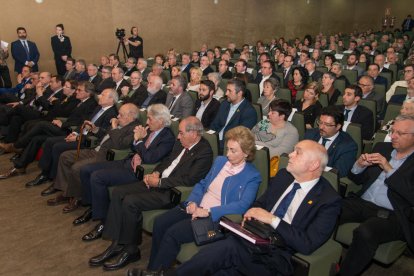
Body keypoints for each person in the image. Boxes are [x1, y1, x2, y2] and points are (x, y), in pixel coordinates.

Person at [138, 140, 341, 276]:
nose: (290, 154)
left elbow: (307, 243)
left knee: (227, 248)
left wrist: (272, 220)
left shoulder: (328, 200)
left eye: (298, 152)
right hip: (253, 238)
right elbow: (260, 203)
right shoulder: (284, 177)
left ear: (314, 165)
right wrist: (253, 212)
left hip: (278, 255)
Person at [87, 116, 214, 271]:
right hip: (158, 182)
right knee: (119, 192)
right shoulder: (181, 143)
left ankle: (130, 249)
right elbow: (167, 161)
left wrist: (160, 182)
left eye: (181, 133)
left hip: (170, 192)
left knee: (130, 201)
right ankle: (117, 243)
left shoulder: (204, 152)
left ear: (193, 133)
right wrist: (156, 173)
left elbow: (189, 179)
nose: (178, 136)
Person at [146, 126, 261, 271]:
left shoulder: (252, 176)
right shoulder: (220, 161)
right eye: (227, 149)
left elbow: (243, 205)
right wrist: (193, 201)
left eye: (233, 150)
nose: (228, 154)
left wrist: (208, 211)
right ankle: (153, 269)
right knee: (160, 222)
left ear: (246, 153)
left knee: (173, 233)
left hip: (214, 218)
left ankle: (155, 271)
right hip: (196, 206)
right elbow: (202, 184)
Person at [338, 115, 414, 275]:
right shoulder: (382, 147)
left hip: (394, 214)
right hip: (362, 202)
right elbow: (357, 179)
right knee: (328, 209)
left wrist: (388, 169)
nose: (393, 136)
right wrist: (359, 166)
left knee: (367, 231)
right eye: (393, 131)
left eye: (400, 133)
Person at [304, 106, 358, 177]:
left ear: (338, 126)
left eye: (327, 124)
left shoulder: (348, 145)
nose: (321, 127)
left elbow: (339, 172)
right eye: (320, 122)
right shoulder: (310, 134)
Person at [210, 79, 257, 150]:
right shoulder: (224, 104)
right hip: (215, 140)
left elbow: (240, 136)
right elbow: (214, 124)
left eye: (229, 91)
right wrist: (211, 139)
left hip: (229, 146)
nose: (226, 93)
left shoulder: (249, 111)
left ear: (239, 93)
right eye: (226, 90)